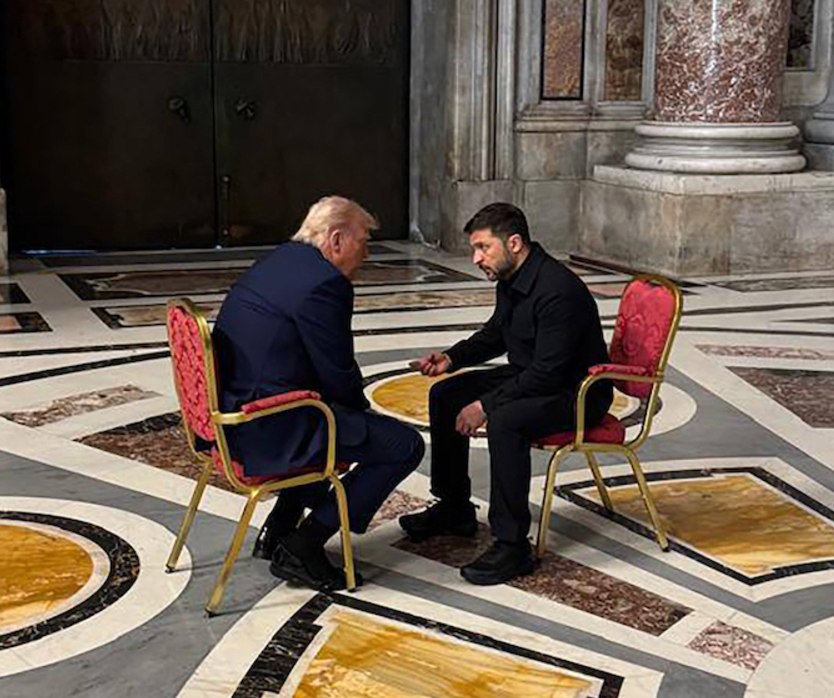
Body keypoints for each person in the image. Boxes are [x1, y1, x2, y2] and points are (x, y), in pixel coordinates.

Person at [212, 196, 424, 591]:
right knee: (402, 445)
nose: (366, 255)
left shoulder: (279, 261)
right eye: (363, 242)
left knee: (334, 418)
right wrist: (363, 417)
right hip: (269, 427)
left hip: (234, 416)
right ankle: (303, 544)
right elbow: (338, 372)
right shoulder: (325, 283)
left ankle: (279, 528)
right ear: (337, 239)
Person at [400, 202, 611, 585]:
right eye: (475, 249)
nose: (476, 258)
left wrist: (485, 405)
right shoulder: (512, 277)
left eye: (483, 247)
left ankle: (513, 545)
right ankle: (454, 507)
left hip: (576, 393)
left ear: (513, 243)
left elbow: (548, 374)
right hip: (534, 376)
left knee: (506, 421)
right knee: (446, 395)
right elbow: (497, 334)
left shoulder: (558, 291)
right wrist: (451, 358)